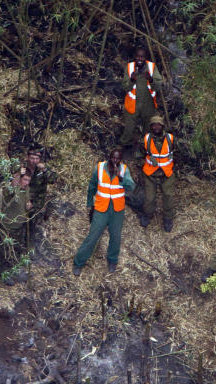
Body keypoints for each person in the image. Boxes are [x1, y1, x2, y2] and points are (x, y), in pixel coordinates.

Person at [73, 147, 136, 276]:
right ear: (109, 157)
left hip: (117, 209)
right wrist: (90, 205)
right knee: (93, 235)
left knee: (115, 236)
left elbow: (131, 186)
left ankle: (112, 260)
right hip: (101, 208)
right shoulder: (100, 168)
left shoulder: (124, 169)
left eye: (118, 158)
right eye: (113, 157)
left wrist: (121, 177)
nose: (115, 160)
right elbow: (92, 186)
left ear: (121, 159)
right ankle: (78, 262)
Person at [118, 46, 164, 155]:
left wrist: (151, 79)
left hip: (148, 104)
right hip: (132, 103)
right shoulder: (129, 67)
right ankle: (124, 145)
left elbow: (158, 86)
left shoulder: (152, 67)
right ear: (135, 56)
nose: (140, 59)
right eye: (138, 56)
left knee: (147, 128)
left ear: (146, 57)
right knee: (129, 127)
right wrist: (132, 80)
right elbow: (125, 87)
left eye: (142, 57)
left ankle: (145, 147)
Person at [0, 170, 32, 285]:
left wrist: (28, 204)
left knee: (16, 249)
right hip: (6, 226)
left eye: (28, 181)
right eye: (24, 179)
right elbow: (11, 187)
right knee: (3, 250)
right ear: (19, 178)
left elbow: (27, 199)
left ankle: (14, 269)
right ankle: (2, 273)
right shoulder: (10, 190)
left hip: (19, 226)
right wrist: (16, 175)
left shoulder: (26, 189)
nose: (26, 183)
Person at [140, 115, 176, 232]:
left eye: (158, 124)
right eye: (153, 125)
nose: (156, 127)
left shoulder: (170, 139)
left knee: (168, 196)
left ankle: (168, 218)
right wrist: (144, 163)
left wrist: (174, 165)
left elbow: (179, 154)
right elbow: (138, 154)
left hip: (167, 173)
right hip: (150, 174)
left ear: (162, 126)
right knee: (149, 198)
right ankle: (147, 215)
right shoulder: (146, 139)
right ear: (151, 127)